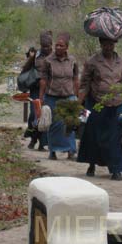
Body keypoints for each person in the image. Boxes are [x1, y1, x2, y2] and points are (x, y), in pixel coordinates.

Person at [77, 37, 122, 180]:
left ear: (115, 45)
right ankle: (91, 164)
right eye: (105, 44)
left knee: (115, 137)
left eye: (111, 44)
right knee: (93, 135)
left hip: (116, 105)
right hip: (95, 104)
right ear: (100, 44)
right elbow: (84, 84)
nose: (108, 47)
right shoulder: (92, 62)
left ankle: (116, 170)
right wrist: (78, 104)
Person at [39, 32, 80, 160]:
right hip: (52, 96)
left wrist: (77, 96)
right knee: (54, 125)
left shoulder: (72, 60)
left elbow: (75, 78)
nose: (58, 48)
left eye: (61, 46)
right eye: (56, 45)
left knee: (70, 123)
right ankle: (53, 151)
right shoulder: (48, 61)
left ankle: (70, 151)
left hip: (68, 96)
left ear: (67, 47)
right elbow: (43, 80)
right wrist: (41, 97)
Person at [21, 31, 52, 150]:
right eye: (43, 46)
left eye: (48, 46)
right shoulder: (35, 57)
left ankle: (42, 143)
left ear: (51, 44)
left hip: (50, 90)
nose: (46, 48)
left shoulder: (55, 56)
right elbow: (25, 70)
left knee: (46, 116)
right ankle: (33, 138)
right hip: (35, 90)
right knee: (35, 115)